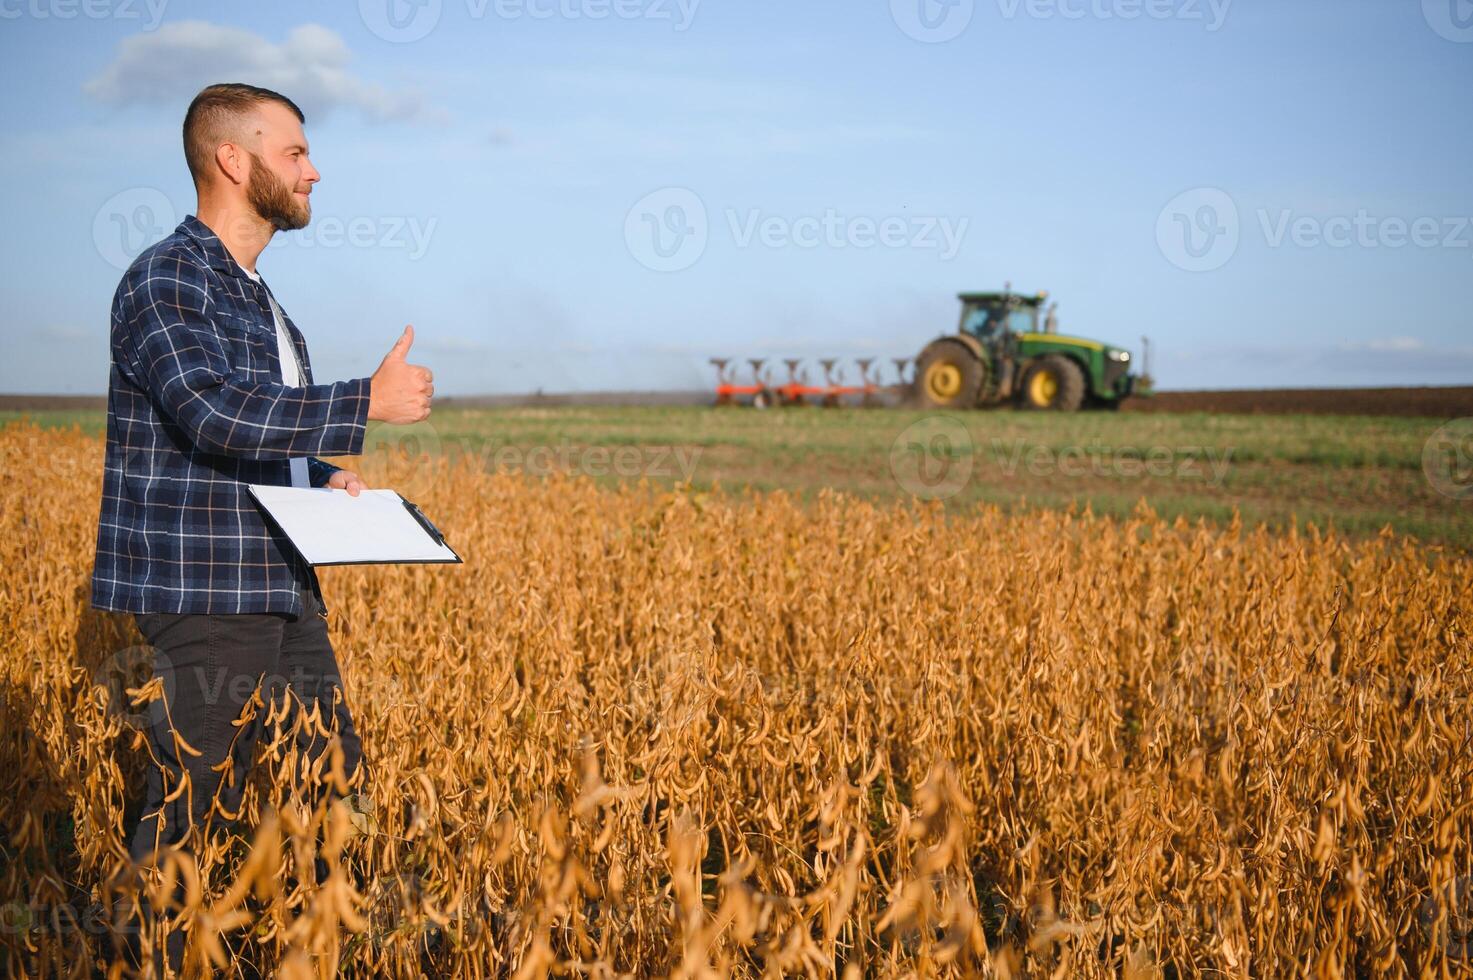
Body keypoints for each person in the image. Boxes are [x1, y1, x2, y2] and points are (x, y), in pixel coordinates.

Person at [89, 82, 434, 970]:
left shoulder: (260, 300)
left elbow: (257, 426)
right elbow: (209, 412)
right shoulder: (168, 279)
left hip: (282, 589)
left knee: (325, 787)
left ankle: (290, 953)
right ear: (231, 161)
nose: (314, 171)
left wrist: (322, 476)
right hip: (203, 593)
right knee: (188, 804)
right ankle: (131, 959)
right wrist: (365, 400)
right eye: (294, 153)